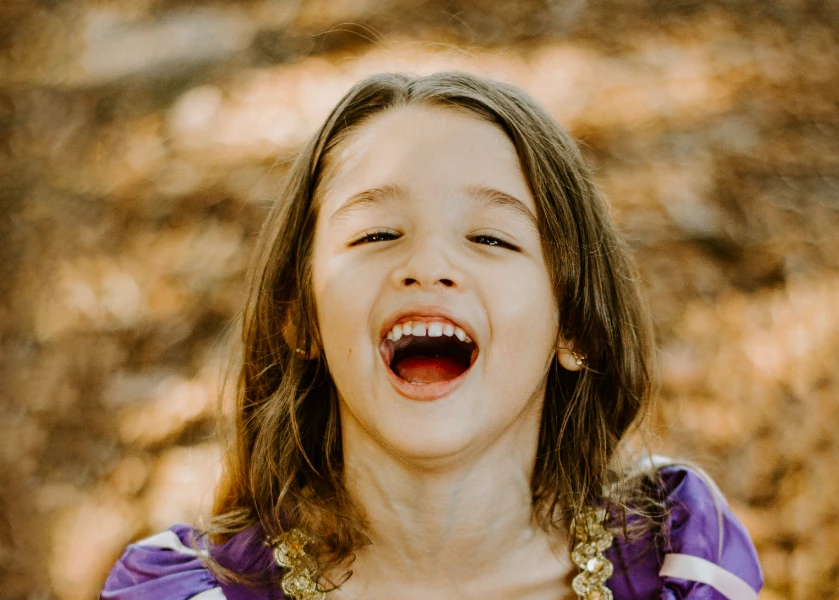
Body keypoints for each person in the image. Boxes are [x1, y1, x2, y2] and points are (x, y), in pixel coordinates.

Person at [101, 72, 763, 600]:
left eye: (490, 238)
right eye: (377, 234)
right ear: (297, 315)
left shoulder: (676, 566)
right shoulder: (187, 590)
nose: (428, 266)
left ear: (575, 326)